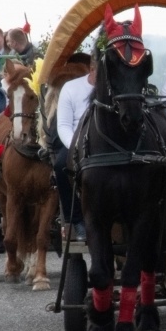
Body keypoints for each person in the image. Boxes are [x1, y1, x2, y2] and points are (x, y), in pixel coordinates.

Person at [55, 54, 97, 241]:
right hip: (76, 140)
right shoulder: (71, 88)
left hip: (107, 143)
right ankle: (76, 220)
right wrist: (77, 146)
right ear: (92, 68)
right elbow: (64, 125)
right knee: (60, 165)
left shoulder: (113, 87)